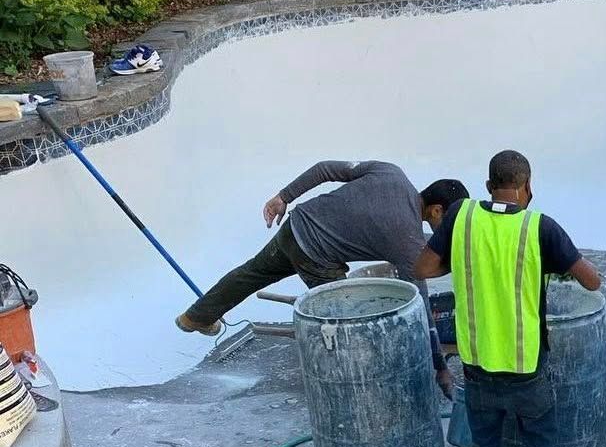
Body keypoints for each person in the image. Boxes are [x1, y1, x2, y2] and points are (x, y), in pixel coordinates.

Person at [414, 150, 601, 447]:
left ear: (487, 186)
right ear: (527, 187)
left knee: (485, 440)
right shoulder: (540, 227)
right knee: (539, 443)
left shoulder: (461, 217)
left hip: (477, 360)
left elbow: (424, 268)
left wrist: (473, 262)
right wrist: (550, 263)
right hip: (525, 364)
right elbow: (591, 281)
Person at [176, 162, 468, 398]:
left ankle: (196, 317)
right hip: (316, 257)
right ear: (437, 210)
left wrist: (283, 197)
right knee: (350, 325)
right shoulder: (408, 241)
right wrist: (439, 365)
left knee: (252, 272)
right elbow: (420, 309)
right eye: (450, 222)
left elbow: (325, 169)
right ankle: (354, 390)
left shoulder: (390, 172)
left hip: (296, 225)